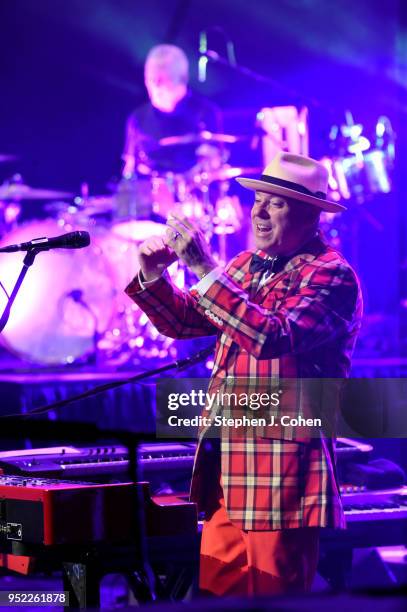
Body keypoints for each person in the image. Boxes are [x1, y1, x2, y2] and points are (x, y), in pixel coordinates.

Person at [125, 151, 363, 597]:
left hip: (280, 474)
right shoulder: (242, 267)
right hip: (226, 470)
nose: (258, 210)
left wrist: (200, 267)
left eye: (276, 202)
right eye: (258, 199)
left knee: (274, 598)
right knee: (218, 598)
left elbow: (270, 335)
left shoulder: (331, 275)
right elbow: (185, 323)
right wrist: (153, 276)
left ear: (312, 214)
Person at [122, 44, 220, 177]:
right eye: (150, 79)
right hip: (151, 195)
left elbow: (214, 166)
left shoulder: (206, 113)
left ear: (182, 78)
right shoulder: (137, 118)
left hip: (194, 193)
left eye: (162, 79)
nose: (156, 85)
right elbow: (129, 171)